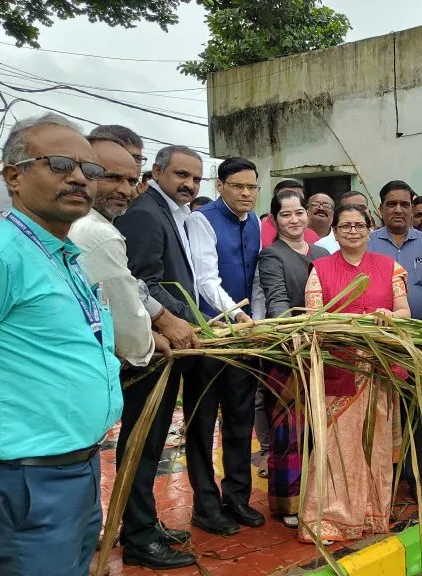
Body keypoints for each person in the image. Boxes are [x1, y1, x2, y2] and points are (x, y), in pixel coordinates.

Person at [0, 114, 122, 576]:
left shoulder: (63, 255)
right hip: (25, 479)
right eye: (61, 164)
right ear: (14, 176)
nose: (79, 178)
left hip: (78, 467)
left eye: (89, 170)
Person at [115, 145, 206, 569]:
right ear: (158, 171)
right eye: (181, 175)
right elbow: (143, 283)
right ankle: (137, 536)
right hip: (154, 349)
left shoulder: (170, 213)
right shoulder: (147, 214)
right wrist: (193, 322)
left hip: (168, 345)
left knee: (150, 443)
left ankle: (142, 522)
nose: (189, 184)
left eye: (195, 178)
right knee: (142, 442)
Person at [299, 204, 410, 542]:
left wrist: (388, 317)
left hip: (378, 373)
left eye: (359, 225)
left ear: (369, 228)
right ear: (334, 231)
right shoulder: (320, 269)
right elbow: (314, 319)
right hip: (340, 370)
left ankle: (373, 515)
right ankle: (329, 519)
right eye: (345, 225)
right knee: (337, 447)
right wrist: (351, 326)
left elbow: (404, 311)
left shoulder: (389, 267)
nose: (352, 231)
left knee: (373, 446)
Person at [182, 157, 266, 536]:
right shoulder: (203, 219)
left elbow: (257, 280)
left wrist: (258, 323)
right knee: (202, 423)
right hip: (210, 336)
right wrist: (237, 314)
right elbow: (204, 280)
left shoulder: (257, 224)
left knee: (240, 418)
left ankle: (237, 498)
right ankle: (205, 503)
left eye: (252, 187)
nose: (246, 193)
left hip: (244, 339)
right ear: (221, 186)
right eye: (238, 186)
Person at [69, 135, 185, 368]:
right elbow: (130, 335)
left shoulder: (74, 224)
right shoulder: (100, 233)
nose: (125, 190)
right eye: (112, 177)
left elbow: (128, 283)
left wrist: (161, 316)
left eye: (132, 181)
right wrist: (149, 337)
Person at [257, 187, 330, 528]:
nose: (294, 219)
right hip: (289, 351)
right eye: (285, 215)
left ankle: (316, 495)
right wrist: (294, 333)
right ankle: (288, 503)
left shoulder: (321, 252)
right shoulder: (271, 256)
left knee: (318, 428)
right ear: (274, 220)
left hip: (324, 350)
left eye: (298, 212)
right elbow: (277, 300)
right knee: (289, 431)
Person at [368, 180, 422, 505]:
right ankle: (377, 481)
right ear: (380, 209)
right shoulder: (367, 243)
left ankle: (419, 479)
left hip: (419, 345)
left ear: (412, 207)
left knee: (418, 413)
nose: (398, 210)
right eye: (391, 204)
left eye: (404, 204)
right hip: (378, 346)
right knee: (379, 414)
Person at [261, 180, 321, 248]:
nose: (294, 220)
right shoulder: (258, 232)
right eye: (286, 195)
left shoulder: (314, 237)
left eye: (299, 213)